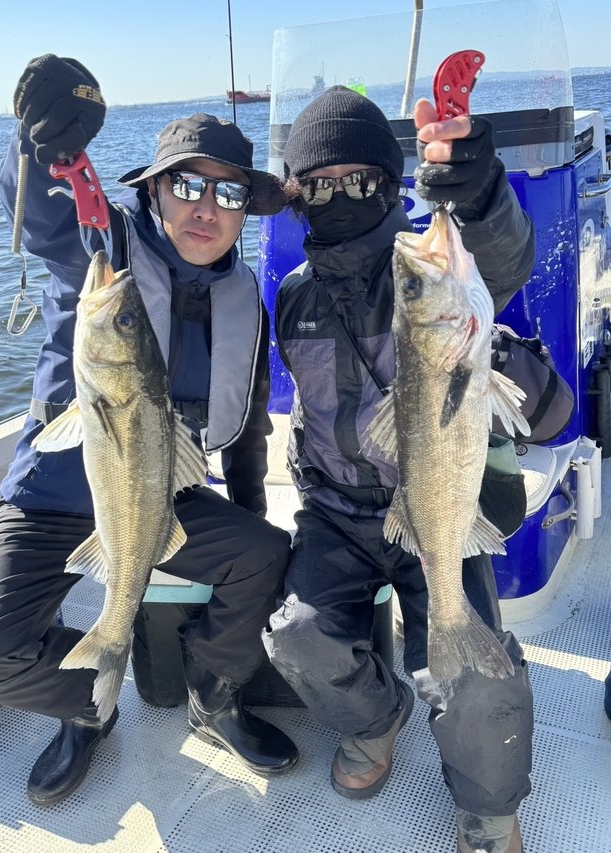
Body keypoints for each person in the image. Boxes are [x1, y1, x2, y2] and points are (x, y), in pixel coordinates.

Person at [0, 54, 298, 807]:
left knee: (265, 553)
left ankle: (212, 695)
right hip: (53, 499)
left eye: (228, 192)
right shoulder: (105, 251)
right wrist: (42, 144)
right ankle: (86, 706)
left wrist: (249, 513)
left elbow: (247, 422)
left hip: (157, 496)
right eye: (186, 185)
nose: (206, 208)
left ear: (244, 212)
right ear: (153, 191)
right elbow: (46, 214)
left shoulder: (245, 297)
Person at [262, 85, 535, 853]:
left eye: (359, 180)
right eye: (319, 185)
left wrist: (478, 190)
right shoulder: (292, 298)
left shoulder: (423, 273)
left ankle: (488, 807)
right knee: (295, 636)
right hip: (336, 515)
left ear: (389, 184)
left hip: (437, 506)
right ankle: (377, 718)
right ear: (297, 196)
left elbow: (502, 257)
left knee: (476, 675)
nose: (340, 196)